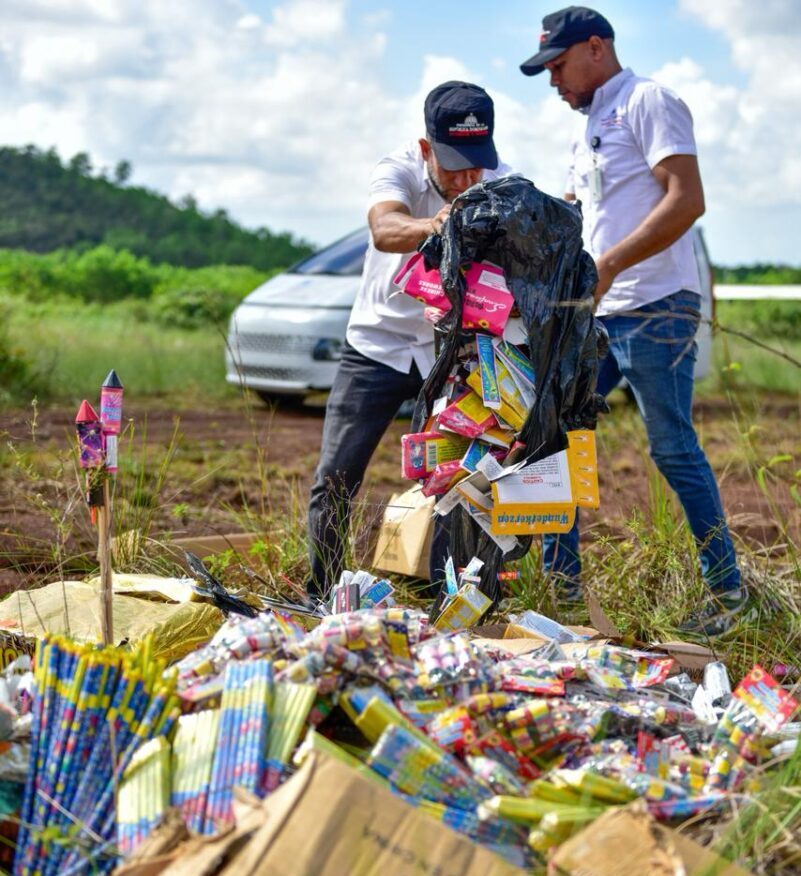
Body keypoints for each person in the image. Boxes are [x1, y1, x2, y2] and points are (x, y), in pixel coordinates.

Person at [519, 6, 746, 635]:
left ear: (596, 48)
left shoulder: (649, 101)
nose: (553, 81)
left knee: (671, 447)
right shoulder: (585, 123)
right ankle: (563, 594)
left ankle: (729, 595)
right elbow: (576, 210)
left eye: (559, 66)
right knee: (557, 434)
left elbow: (687, 199)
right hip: (602, 312)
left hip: (656, 306)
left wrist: (612, 263)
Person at [307, 81, 513, 599]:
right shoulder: (395, 169)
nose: (467, 179)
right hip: (377, 345)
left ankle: (450, 603)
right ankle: (322, 591)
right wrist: (435, 223)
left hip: (449, 354)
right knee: (336, 477)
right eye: (453, 166)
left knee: (456, 481)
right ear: (425, 150)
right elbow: (384, 226)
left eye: (477, 165)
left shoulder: (503, 182)